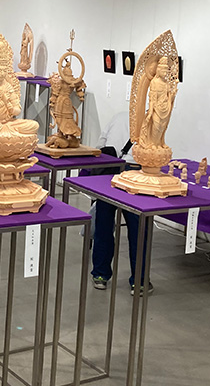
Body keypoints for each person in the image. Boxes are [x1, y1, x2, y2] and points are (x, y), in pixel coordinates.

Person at [90, 111, 151, 296]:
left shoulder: (119, 116)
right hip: (136, 174)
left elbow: (101, 145)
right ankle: (139, 281)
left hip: (110, 172)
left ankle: (100, 274)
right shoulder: (151, 122)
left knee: (104, 224)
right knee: (138, 229)